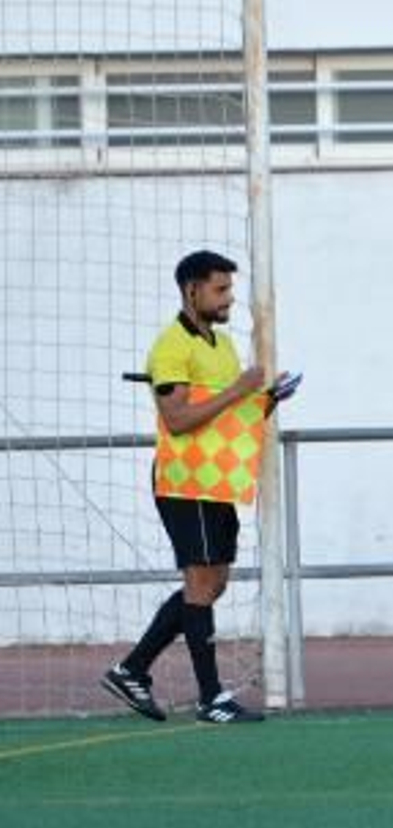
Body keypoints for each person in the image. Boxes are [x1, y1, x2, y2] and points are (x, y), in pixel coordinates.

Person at [101, 249, 282, 725]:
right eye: (220, 290)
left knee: (213, 583)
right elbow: (178, 419)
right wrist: (239, 390)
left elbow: (229, 418)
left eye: (229, 289)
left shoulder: (222, 345)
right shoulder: (170, 347)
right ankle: (211, 698)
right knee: (200, 583)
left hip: (217, 478)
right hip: (184, 480)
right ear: (191, 290)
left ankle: (131, 669)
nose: (229, 299)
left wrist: (265, 400)